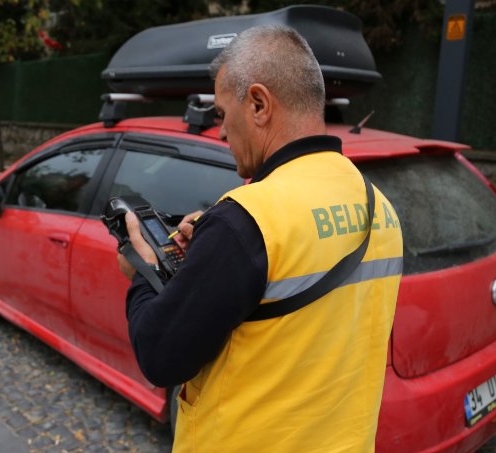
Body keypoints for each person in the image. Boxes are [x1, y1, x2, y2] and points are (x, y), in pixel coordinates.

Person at [117, 24, 403, 452]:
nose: (220, 132)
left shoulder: (246, 221)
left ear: (258, 104)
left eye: (221, 113)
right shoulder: (380, 205)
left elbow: (159, 357)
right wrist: (212, 252)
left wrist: (143, 269)